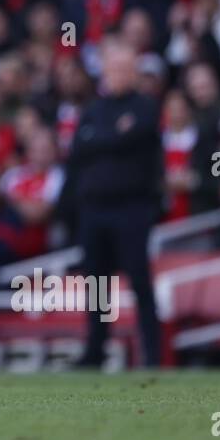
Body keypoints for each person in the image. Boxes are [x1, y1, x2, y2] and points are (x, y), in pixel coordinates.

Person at [65, 37, 163, 369]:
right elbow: (79, 148)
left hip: (132, 207)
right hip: (94, 209)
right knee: (96, 282)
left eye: (124, 68)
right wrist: (112, 136)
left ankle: (152, 352)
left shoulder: (146, 106)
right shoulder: (93, 109)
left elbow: (126, 137)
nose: (118, 74)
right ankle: (96, 350)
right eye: (113, 68)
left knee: (139, 279)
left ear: (134, 71)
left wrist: (102, 138)